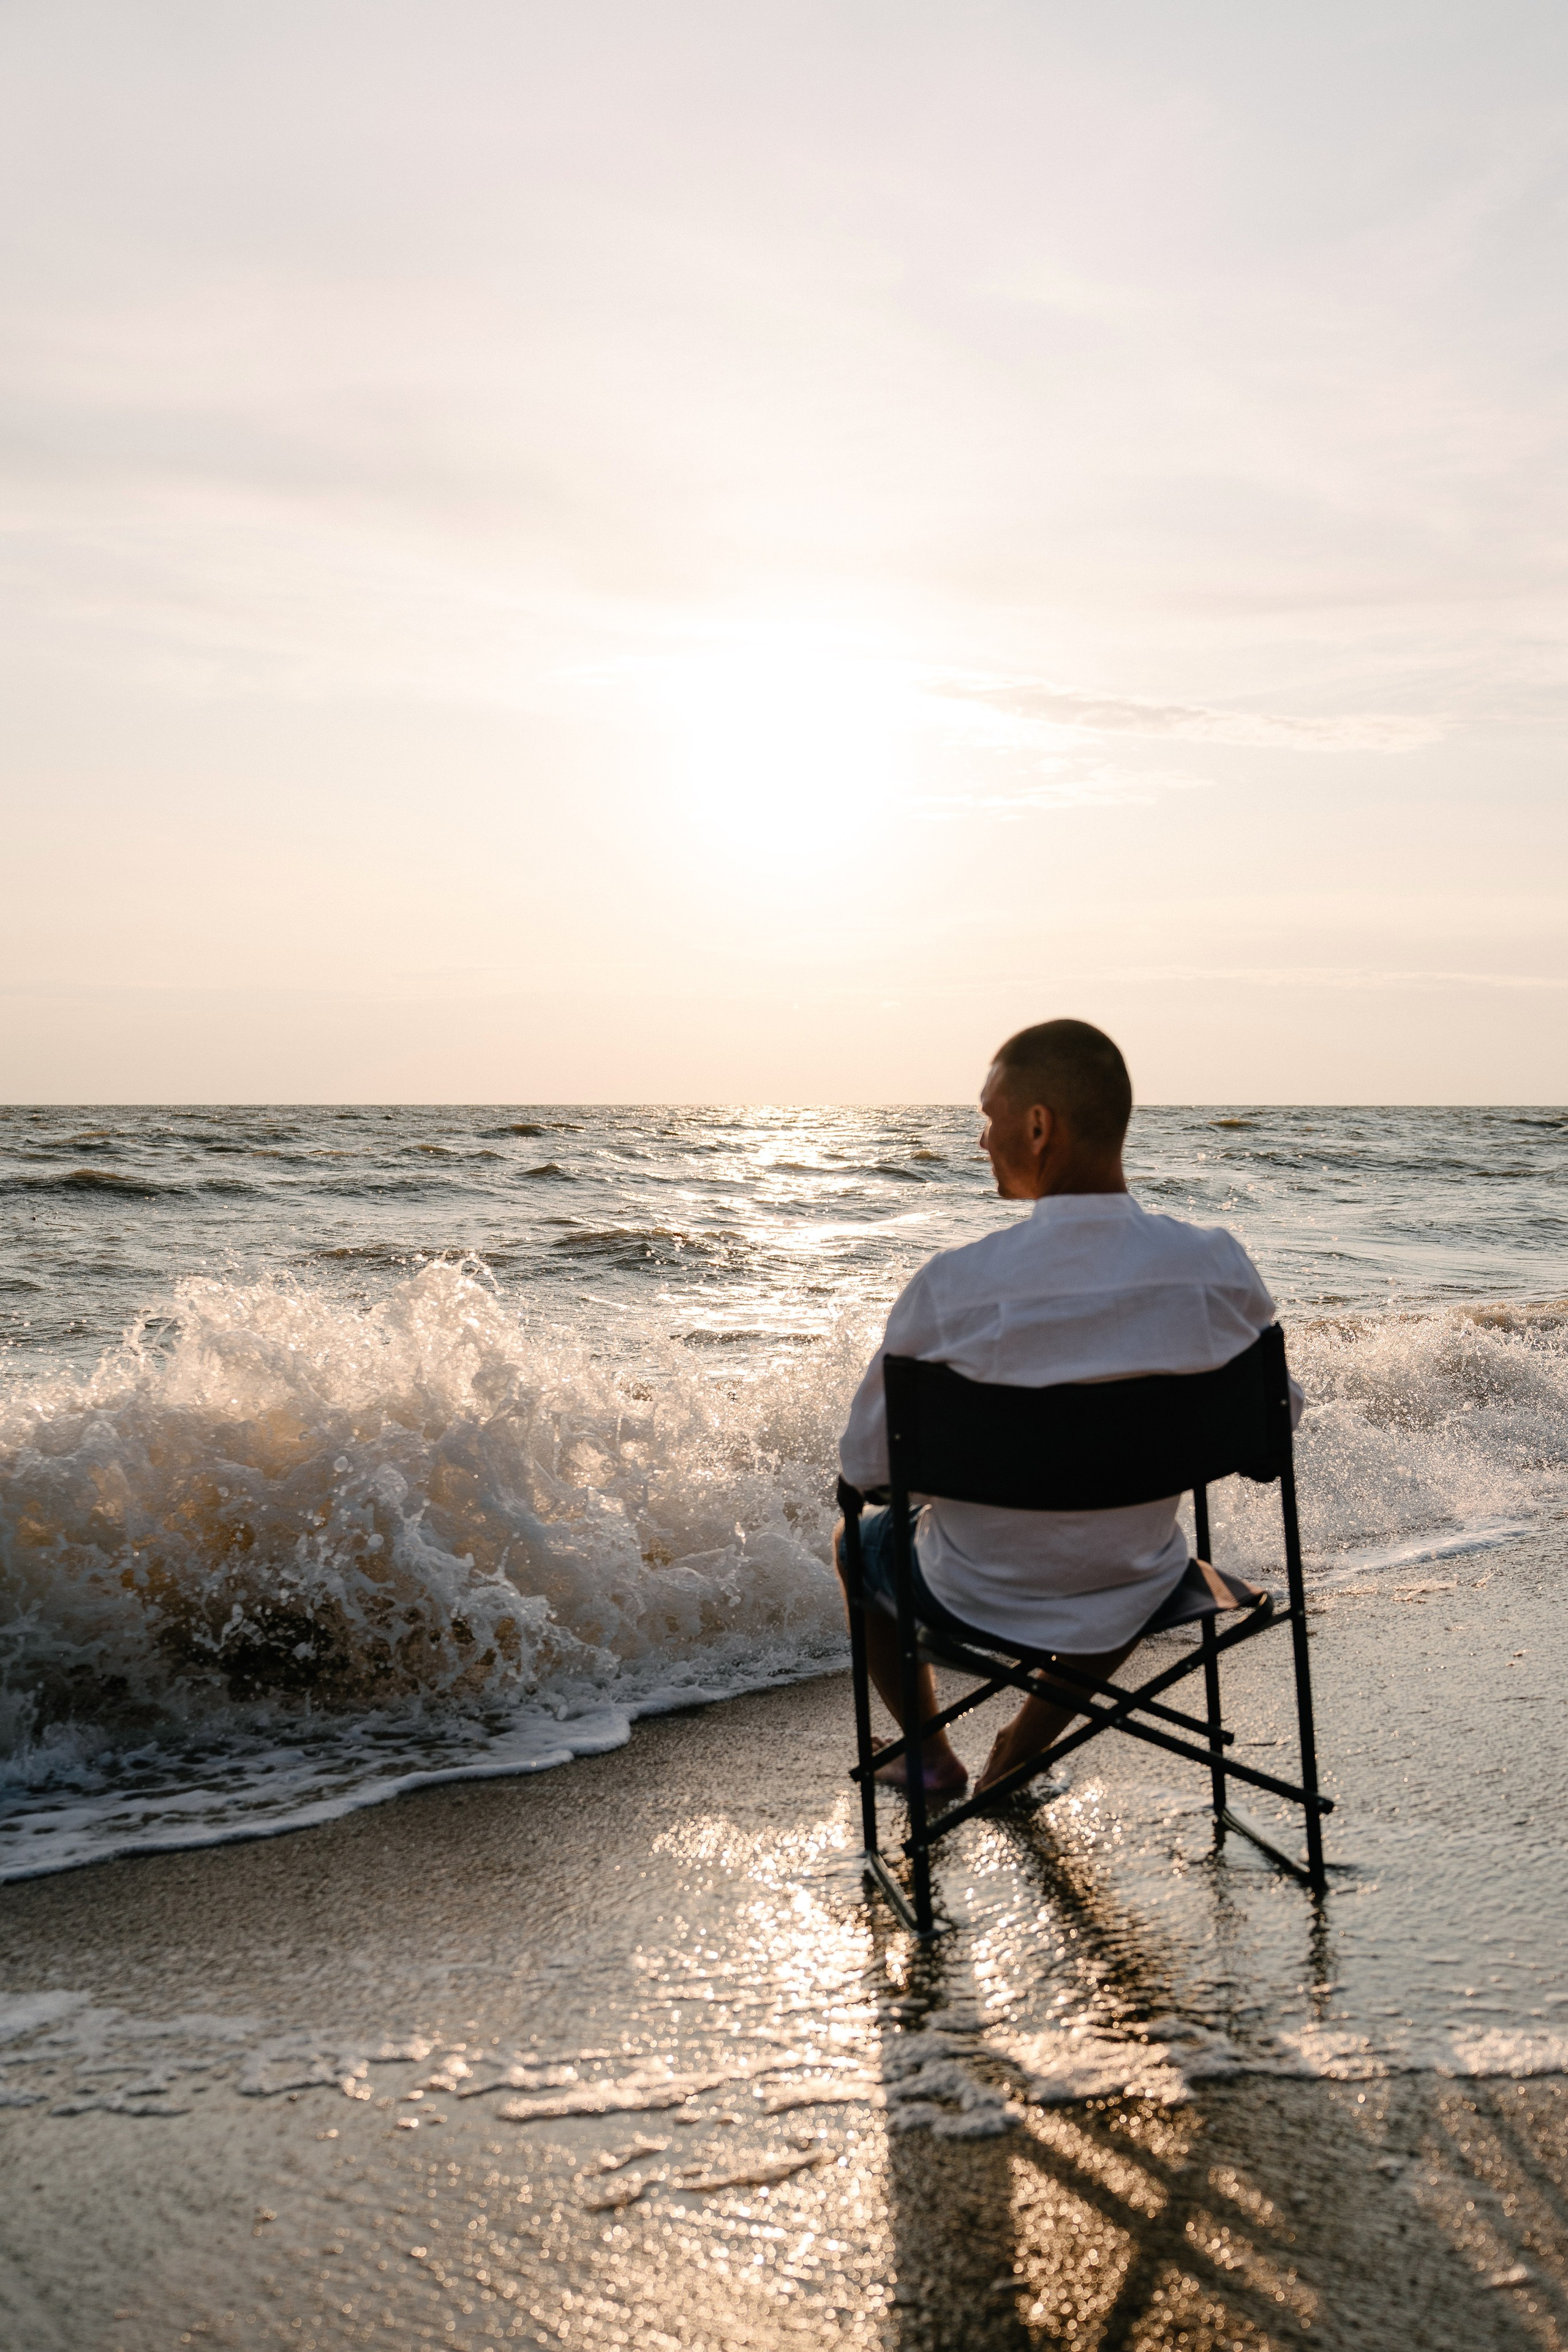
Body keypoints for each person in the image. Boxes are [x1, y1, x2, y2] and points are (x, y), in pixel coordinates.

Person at [835, 1018, 1301, 1798]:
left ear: (1038, 1126)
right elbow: (1270, 1428)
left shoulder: (952, 1287)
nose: (981, 1139)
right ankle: (1021, 1750)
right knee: (1119, 1560)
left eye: (987, 1117)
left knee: (857, 1542)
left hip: (969, 1593)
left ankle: (930, 1757)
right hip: (1140, 1579)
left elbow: (866, 1469)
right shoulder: (1215, 1268)